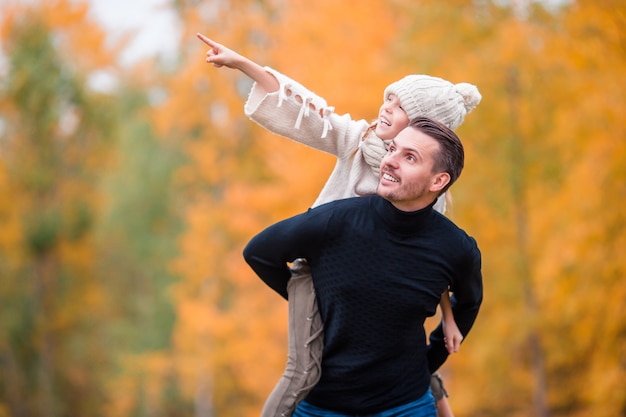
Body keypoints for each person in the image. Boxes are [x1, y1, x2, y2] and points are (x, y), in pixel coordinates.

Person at [197, 33, 481, 417]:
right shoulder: (356, 140)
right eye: (389, 99)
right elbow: (304, 109)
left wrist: (448, 317)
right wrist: (244, 65)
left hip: (383, 291)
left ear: (426, 131)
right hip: (320, 272)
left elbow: (432, 267)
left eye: (399, 110)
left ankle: (430, 396)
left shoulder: (432, 199)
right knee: (302, 372)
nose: (386, 110)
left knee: (407, 354)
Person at [244, 117, 483, 416]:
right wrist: (312, 303)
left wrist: (429, 361)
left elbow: (470, 302)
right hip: (322, 406)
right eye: (392, 149)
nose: (390, 161)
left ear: (438, 181)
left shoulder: (456, 248)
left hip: (407, 405)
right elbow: (259, 252)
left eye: (409, 157)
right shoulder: (335, 221)